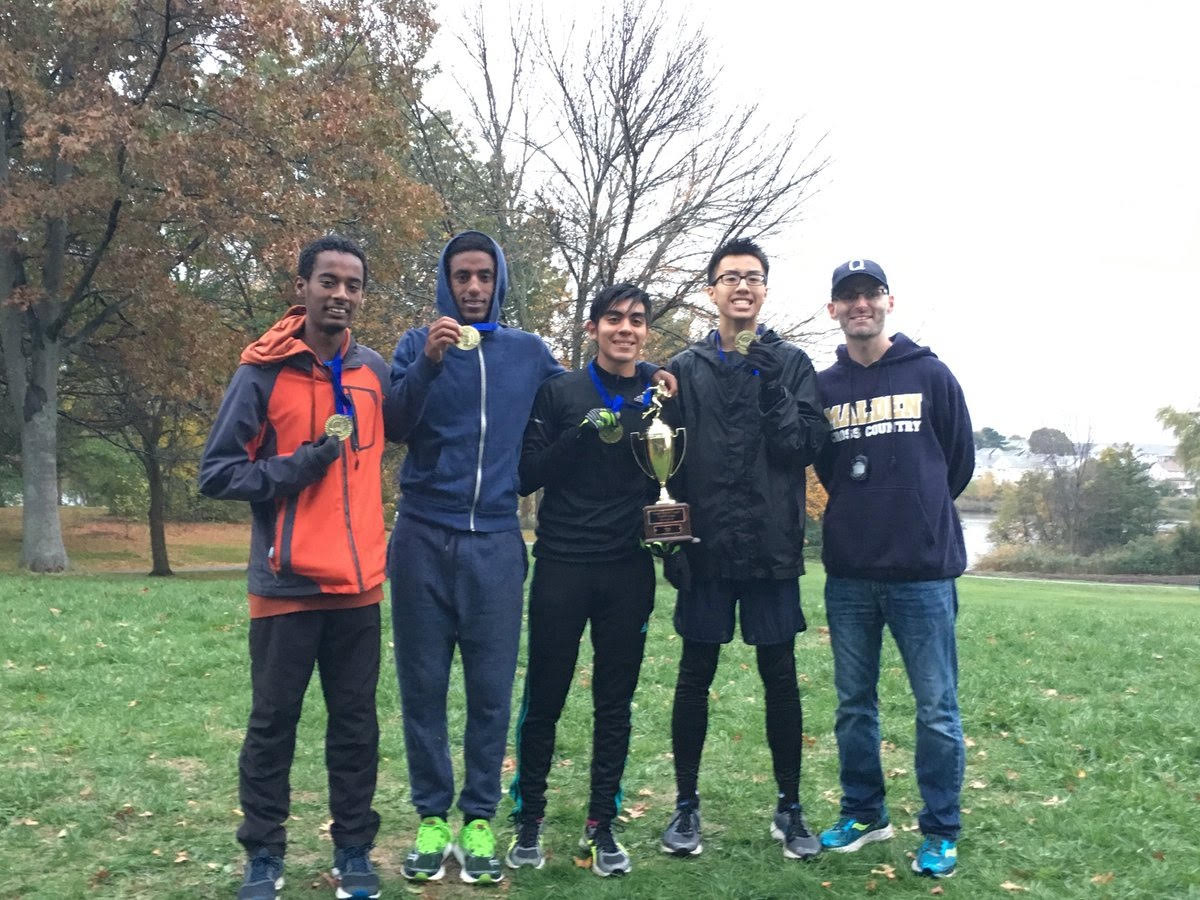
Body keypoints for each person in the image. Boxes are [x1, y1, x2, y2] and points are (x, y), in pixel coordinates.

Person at [383, 232, 674, 884]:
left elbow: (585, 391)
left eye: (484, 275)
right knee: (423, 689)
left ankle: (481, 818)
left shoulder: (526, 353)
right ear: (446, 280)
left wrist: (647, 380)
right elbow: (394, 425)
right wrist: (427, 363)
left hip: (494, 540)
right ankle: (433, 817)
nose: (473, 286)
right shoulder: (414, 344)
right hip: (422, 536)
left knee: (491, 693)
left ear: (500, 280)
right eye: (462, 275)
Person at [199, 235, 387, 900]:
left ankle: (355, 849)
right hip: (285, 585)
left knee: (356, 726)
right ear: (302, 286)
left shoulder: (373, 373)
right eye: (328, 281)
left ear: (362, 296)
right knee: (274, 725)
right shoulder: (263, 371)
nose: (340, 294)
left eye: (352, 285)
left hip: (359, 588)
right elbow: (217, 474)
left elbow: (419, 419)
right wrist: (297, 468)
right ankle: (264, 854)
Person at [658, 238, 828, 862]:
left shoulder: (794, 364)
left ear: (765, 290)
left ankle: (790, 806)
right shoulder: (683, 367)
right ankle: (685, 806)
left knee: (780, 677)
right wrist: (670, 542)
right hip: (704, 550)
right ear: (712, 290)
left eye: (753, 278)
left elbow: (802, 448)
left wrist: (772, 387)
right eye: (730, 277)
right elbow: (662, 465)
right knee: (694, 676)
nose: (742, 287)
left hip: (770, 549)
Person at [813, 258, 974, 879]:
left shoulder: (931, 374)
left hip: (923, 573)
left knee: (936, 707)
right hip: (851, 573)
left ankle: (940, 829)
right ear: (833, 310)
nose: (860, 305)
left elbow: (956, 461)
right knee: (855, 704)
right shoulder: (824, 388)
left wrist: (916, 510)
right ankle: (864, 812)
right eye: (847, 297)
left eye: (869, 294)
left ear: (888, 301)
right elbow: (825, 468)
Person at [506, 284, 663, 878]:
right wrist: (580, 432)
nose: (626, 328)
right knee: (544, 696)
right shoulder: (560, 391)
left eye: (637, 320)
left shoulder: (658, 394)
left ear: (645, 331)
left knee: (614, 703)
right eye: (615, 318)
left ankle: (603, 823)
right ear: (595, 327)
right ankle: (529, 820)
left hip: (627, 569)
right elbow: (527, 475)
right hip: (563, 565)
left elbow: (671, 471)